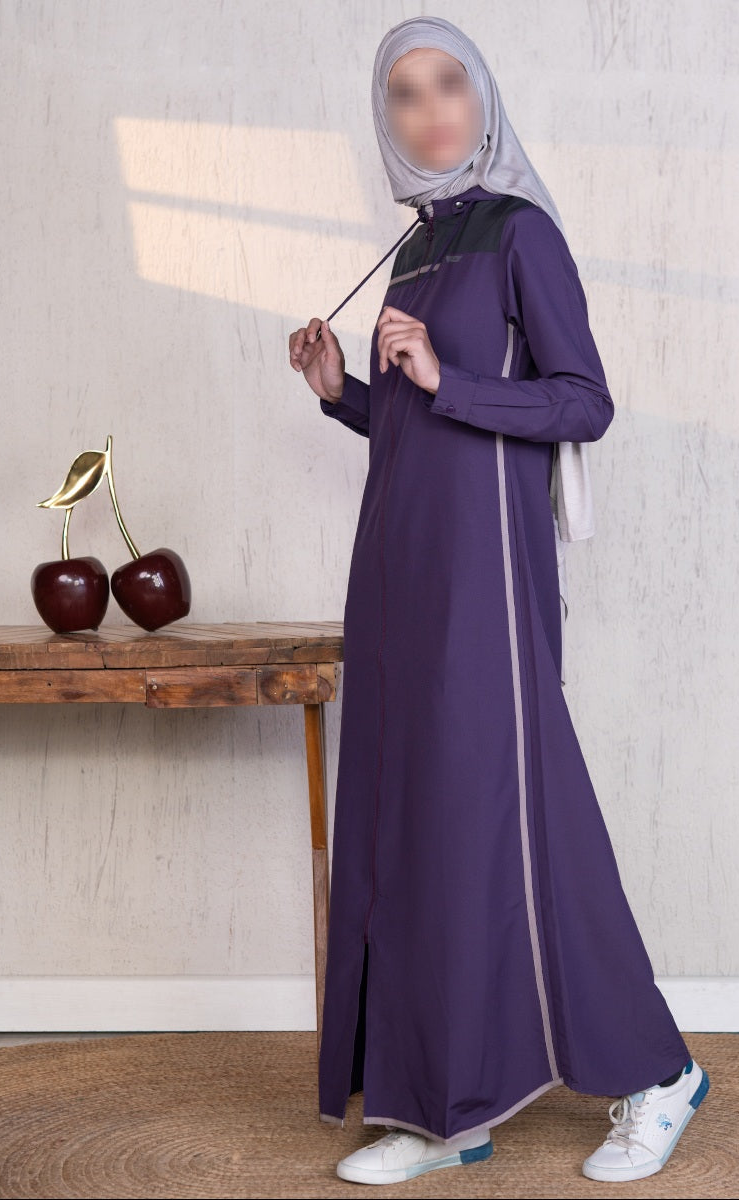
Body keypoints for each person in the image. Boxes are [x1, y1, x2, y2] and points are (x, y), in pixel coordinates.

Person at [288, 15, 709, 1187]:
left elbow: (581, 403)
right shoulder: (415, 246)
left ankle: (657, 1073)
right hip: (396, 572)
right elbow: (418, 425)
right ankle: (444, 1109)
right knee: (415, 822)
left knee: (524, 813)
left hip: (487, 574)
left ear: (482, 99)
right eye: (404, 95)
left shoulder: (521, 231)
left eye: (448, 86)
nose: (429, 112)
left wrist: (447, 376)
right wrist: (344, 391)